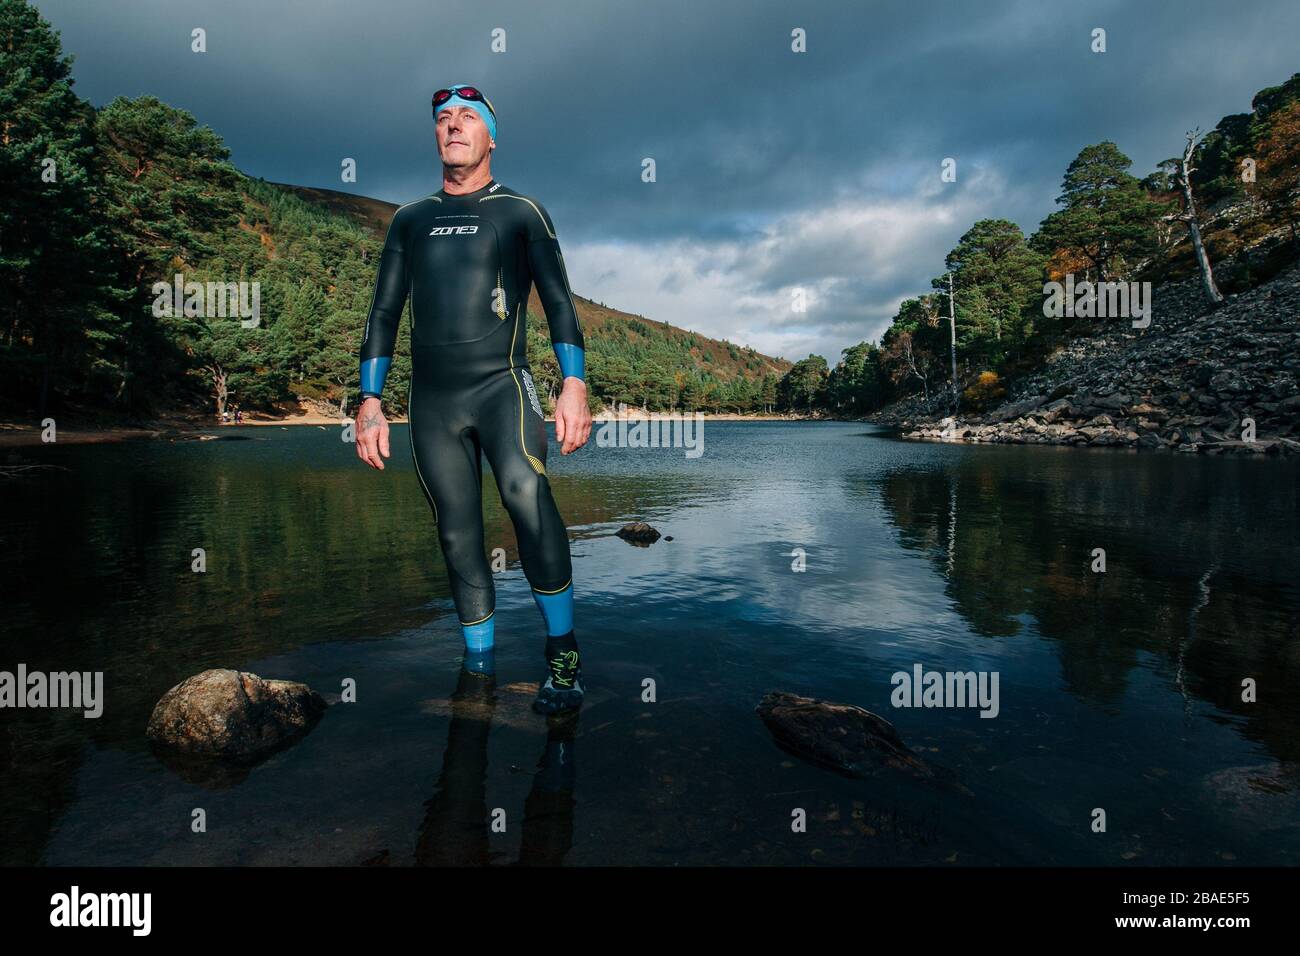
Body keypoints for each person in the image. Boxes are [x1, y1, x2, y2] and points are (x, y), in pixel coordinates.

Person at [355, 84, 592, 714]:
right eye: (443, 118)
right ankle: (479, 663)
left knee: (526, 494)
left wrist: (574, 383)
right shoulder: (409, 220)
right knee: (456, 530)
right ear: (435, 135)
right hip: (432, 402)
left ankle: (562, 654)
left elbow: (560, 302)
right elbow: (383, 311)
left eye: (468, 117)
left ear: (492, 136)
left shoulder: (521, 212)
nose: (453, 125)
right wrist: (369, 400)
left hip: (502, 387)